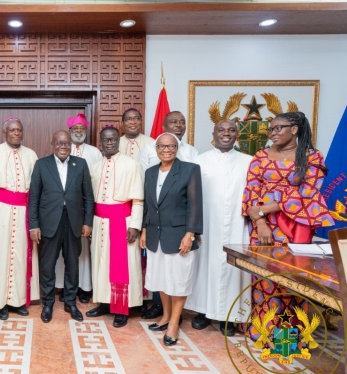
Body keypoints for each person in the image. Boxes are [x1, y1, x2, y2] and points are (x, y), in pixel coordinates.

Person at [241, 111, 334, 339]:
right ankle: (263, 329)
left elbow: (308, 194)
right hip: (263, 228)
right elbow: (252, 191)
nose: (272, 133)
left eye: (278, 128)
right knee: (263, 275)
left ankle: (291, 332)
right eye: (270, 129)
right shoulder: (261, 156)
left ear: (294, 129)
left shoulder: (312, 157)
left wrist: (265, 208)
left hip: (296, 226)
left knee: (294, 278)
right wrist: (260, 221)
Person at [184, 119, 252, 336]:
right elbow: (191, 197)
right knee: (205, 265)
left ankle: (229, 317)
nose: (226, 133)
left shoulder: (249, 162)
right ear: (213, 133)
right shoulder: (200, 160)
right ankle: (204, 312)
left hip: (237, 225)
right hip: (208, 225)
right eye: (221, 130)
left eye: (231, 130)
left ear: (237, 135)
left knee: (233, 268)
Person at [141, 132, 203, 347]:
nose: (166, 150)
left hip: (179, 236)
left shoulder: (189, 170)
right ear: (155, 149)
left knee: (178, 281)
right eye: (161, 146)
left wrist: (190, 234)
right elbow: (149, 205)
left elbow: (195, 205)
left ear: (177, 148)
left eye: (171, 146)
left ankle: (174, 323)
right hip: (155, 234)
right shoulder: (150, 172)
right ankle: (166, 316)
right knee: (161, 279)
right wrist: (144, 230)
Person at [29, 130, 95, 323]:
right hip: (49, 222)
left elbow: (88, 196)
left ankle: (70, 302)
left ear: (71, 146)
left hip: (73, 222)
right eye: (59, 143)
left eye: (66, 143)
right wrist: (34, 225)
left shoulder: (80, 164)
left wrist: (87, 222)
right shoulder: (42, 165)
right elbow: (34, 198)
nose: (63, 147)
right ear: (53, 144)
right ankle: (48, 303)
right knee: (48, 265)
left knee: (72, 265)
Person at [86, 127, 144, 328]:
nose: (109, 143)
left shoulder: (132, 165)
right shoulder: (94, 166)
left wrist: (135, 225)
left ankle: (121, 308)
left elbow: (138, 199)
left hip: (123, 221)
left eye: (112, 140)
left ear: (118, 141)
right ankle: (104, 302)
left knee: (123, 266)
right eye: (105, 140)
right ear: (100, 142)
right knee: (100, 263)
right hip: (99, 221)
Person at [0, 117, 40, 320]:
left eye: (19, 130)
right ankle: (0, 303)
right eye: (12, 130)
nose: (16, 133)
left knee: (20, 257)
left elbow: (36, 189)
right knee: (0, 256)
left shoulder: (31, 155)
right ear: (4, 132)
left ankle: (17, 301)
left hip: (24, 210)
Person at [54, 113, 101, 303]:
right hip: (63, 210)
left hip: (84, 209)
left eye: (82, 129)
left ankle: (84, 287)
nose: (79, 132)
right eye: (75, 129)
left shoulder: (94, 152)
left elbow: (96, 182)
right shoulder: (62, 147)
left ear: (86, 131)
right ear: (70, 132)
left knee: (83, 252)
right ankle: (62, 286)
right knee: (64, 251)